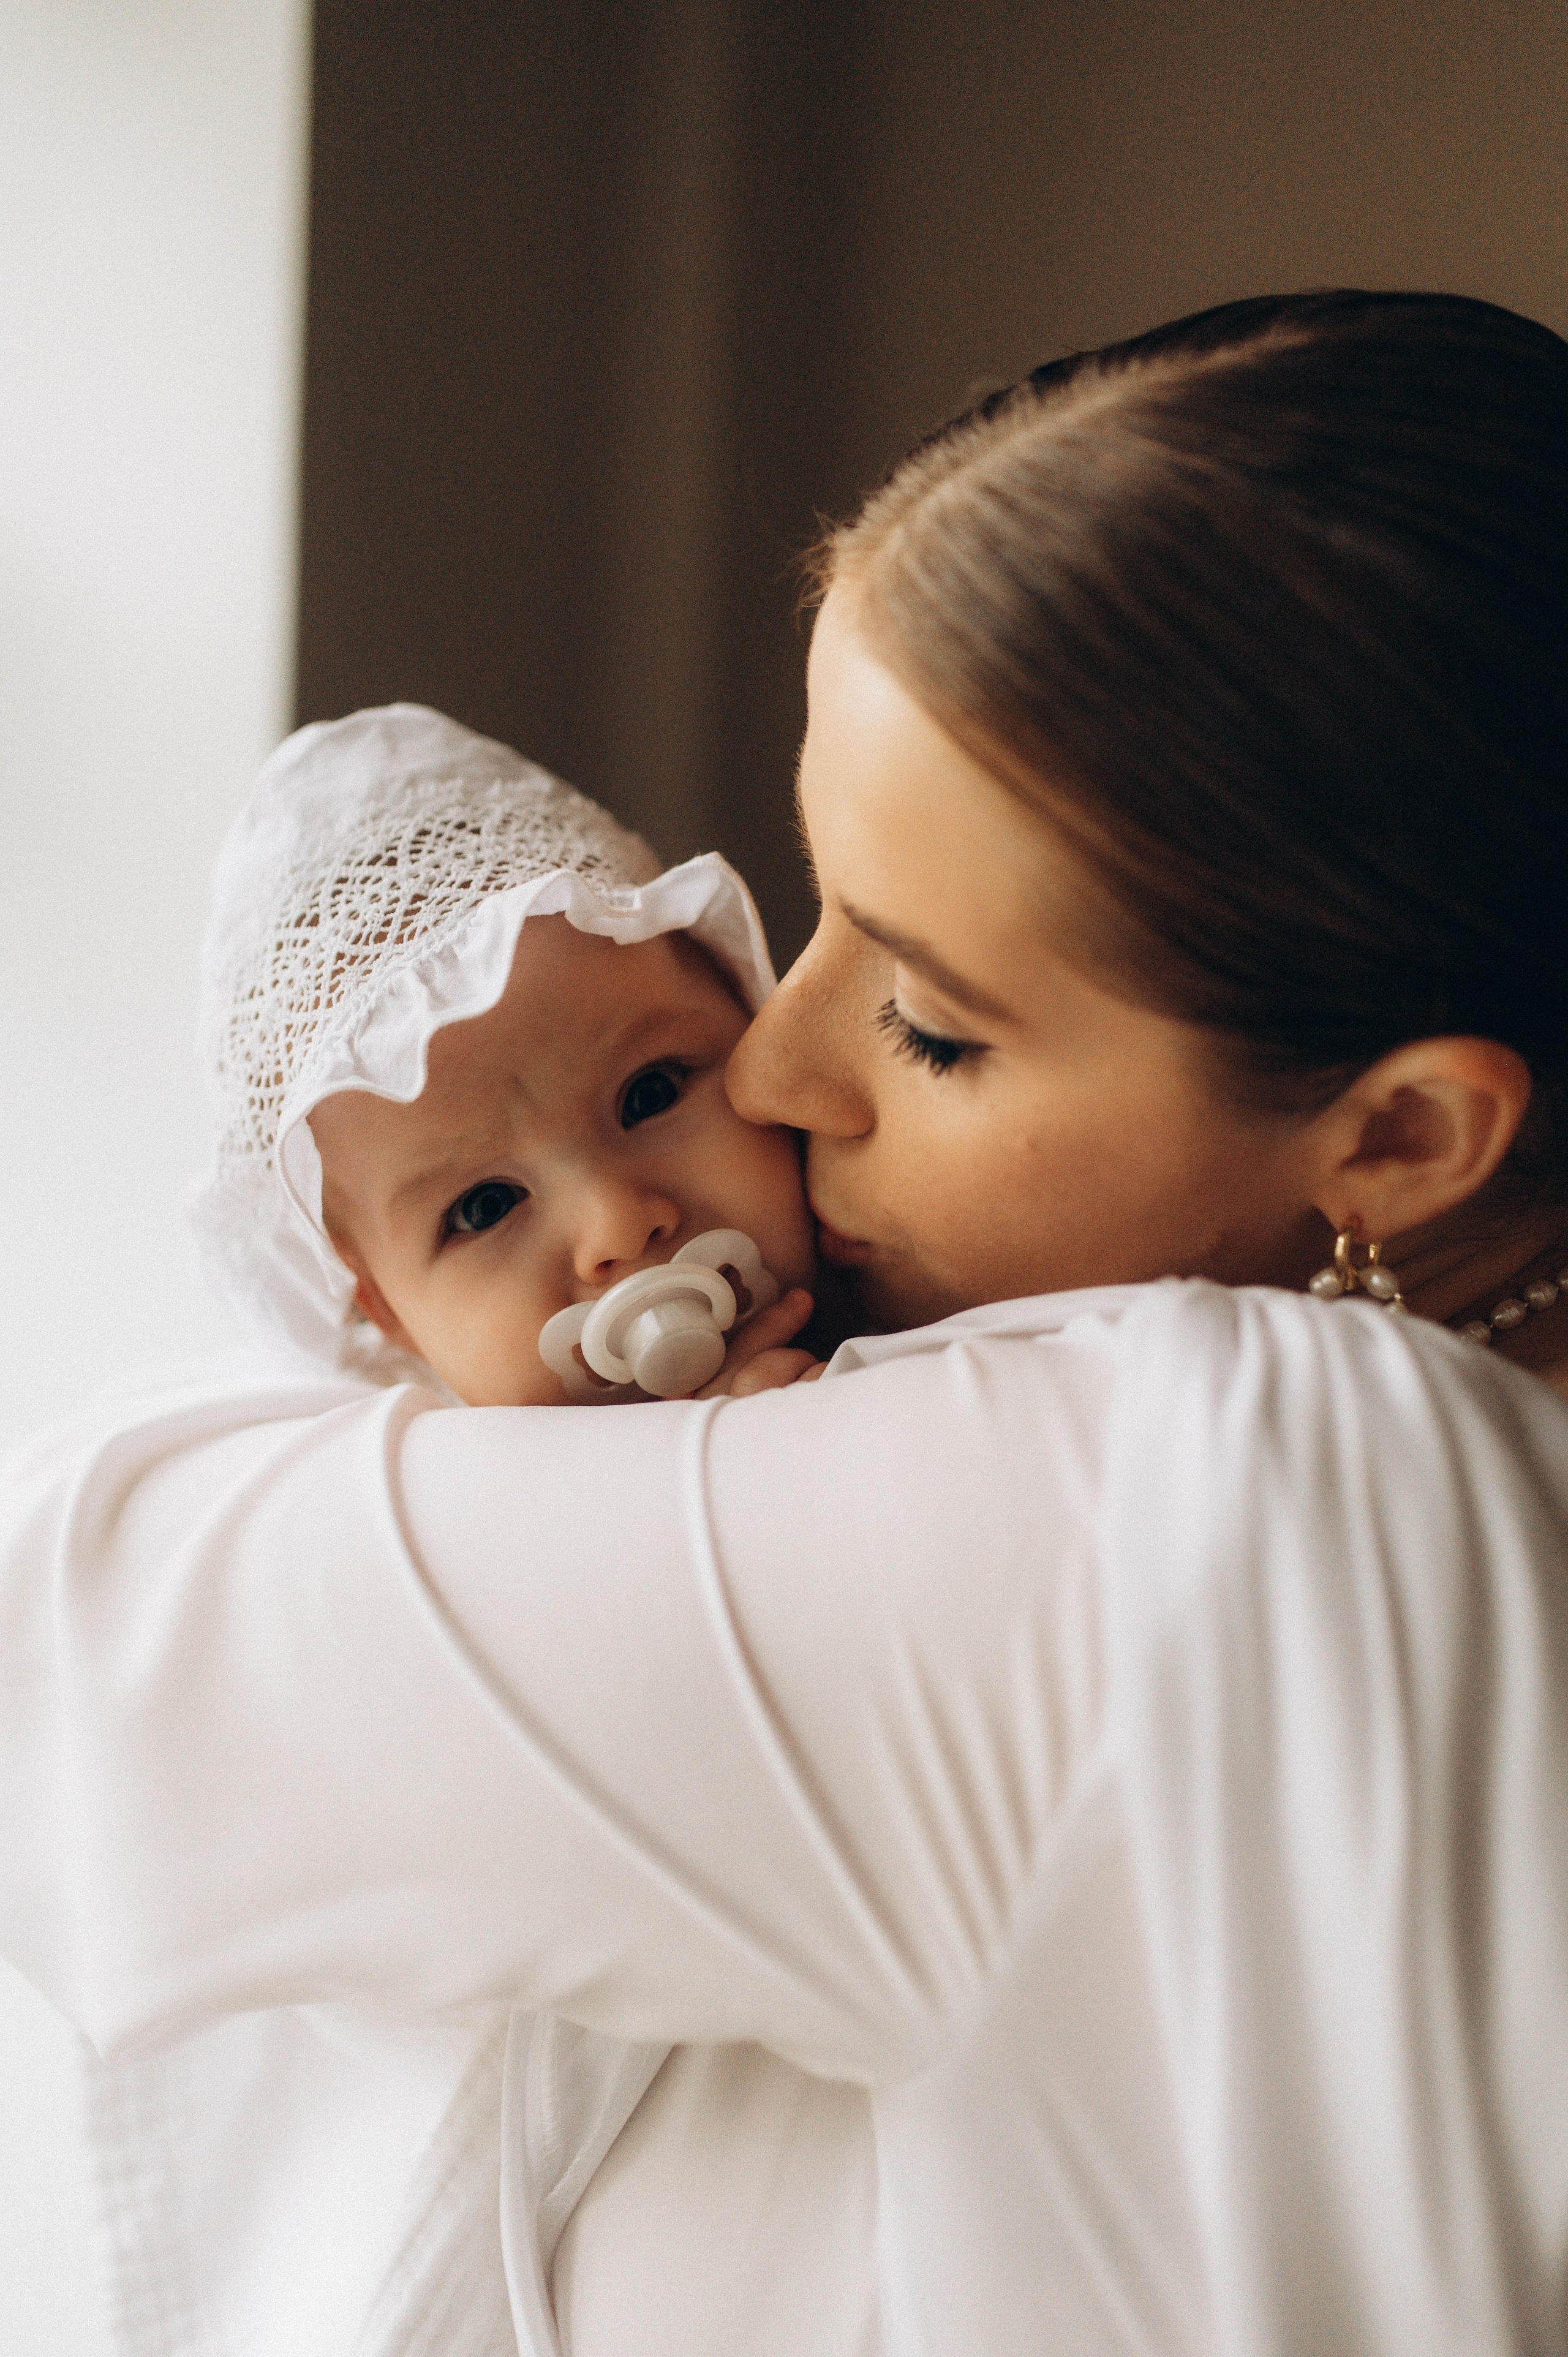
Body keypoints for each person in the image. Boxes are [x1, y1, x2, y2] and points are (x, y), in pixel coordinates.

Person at [4, 288, 1568, 2357]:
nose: (770, 1069)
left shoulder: (1184, 1510)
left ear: (1398, 1137)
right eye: (808, 905)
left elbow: (77, 1646)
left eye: (930, 1020)